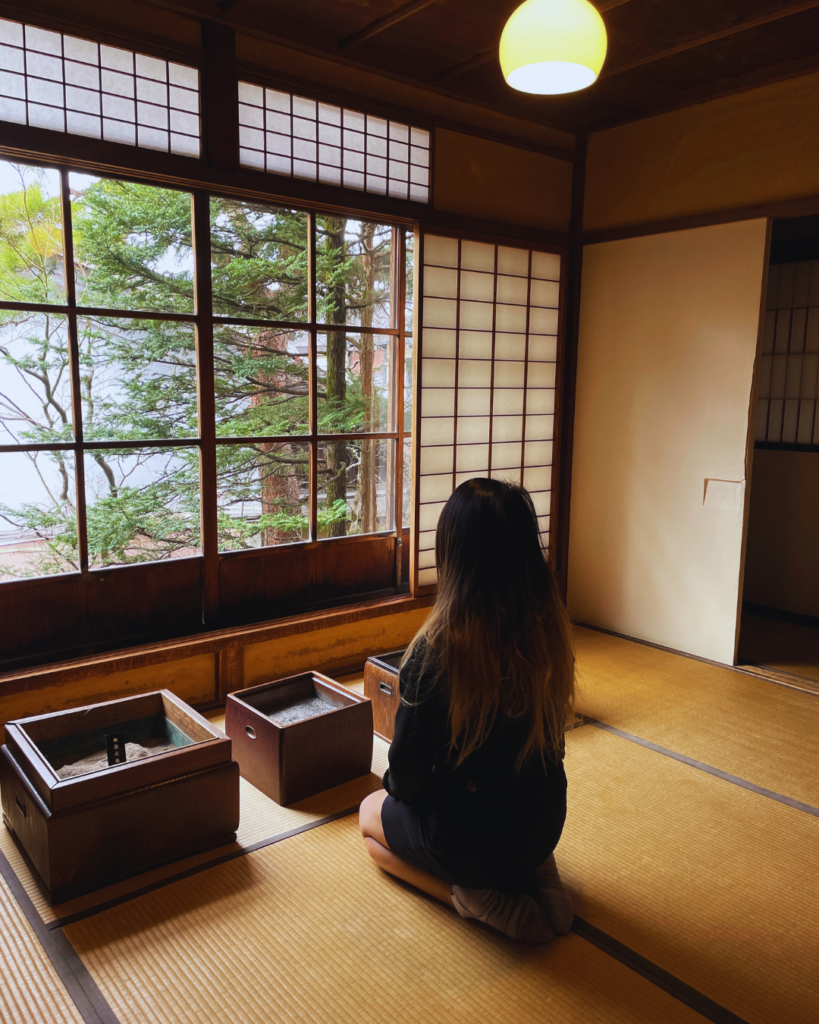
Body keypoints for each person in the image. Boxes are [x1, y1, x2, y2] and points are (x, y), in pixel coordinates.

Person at [359, 478, 576, 943]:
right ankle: (540, 874)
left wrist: (389, 792)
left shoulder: (436, 653)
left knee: (368, 819)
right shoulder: (549, 634)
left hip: (469, 843)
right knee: (511, 800)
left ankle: (476, 900)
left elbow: (408, 775)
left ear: (454, 556)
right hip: (544, 821)